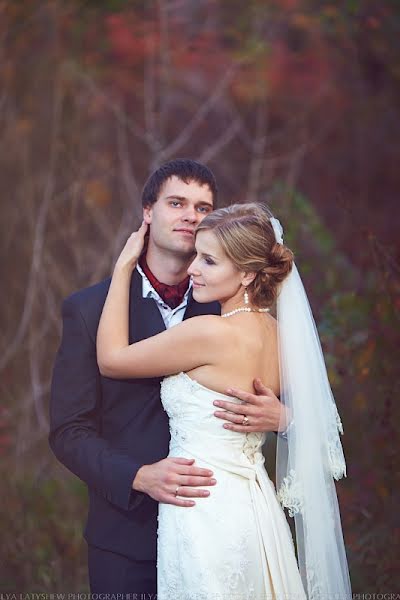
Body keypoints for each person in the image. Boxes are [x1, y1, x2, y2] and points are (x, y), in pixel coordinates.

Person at [49, 159, 287, 595]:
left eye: (203, 206)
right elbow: (68, 430)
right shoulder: (88, 309)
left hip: (219, 528)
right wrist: (137, 475)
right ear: (147, 212)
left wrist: (282, 416)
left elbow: (308, 413)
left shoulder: (230, 307)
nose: (190, 216)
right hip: (125, 539)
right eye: (176, 202)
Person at [96, 202, 352, 599]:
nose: (193, 267)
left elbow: (111, 360)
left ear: (247, 273)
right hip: (255, 510)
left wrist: (123, 268)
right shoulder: (281, 337)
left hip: (203, 508)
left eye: (209, 260)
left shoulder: (209, 333)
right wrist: (286, 418)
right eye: (197, 254)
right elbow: (323, 430)